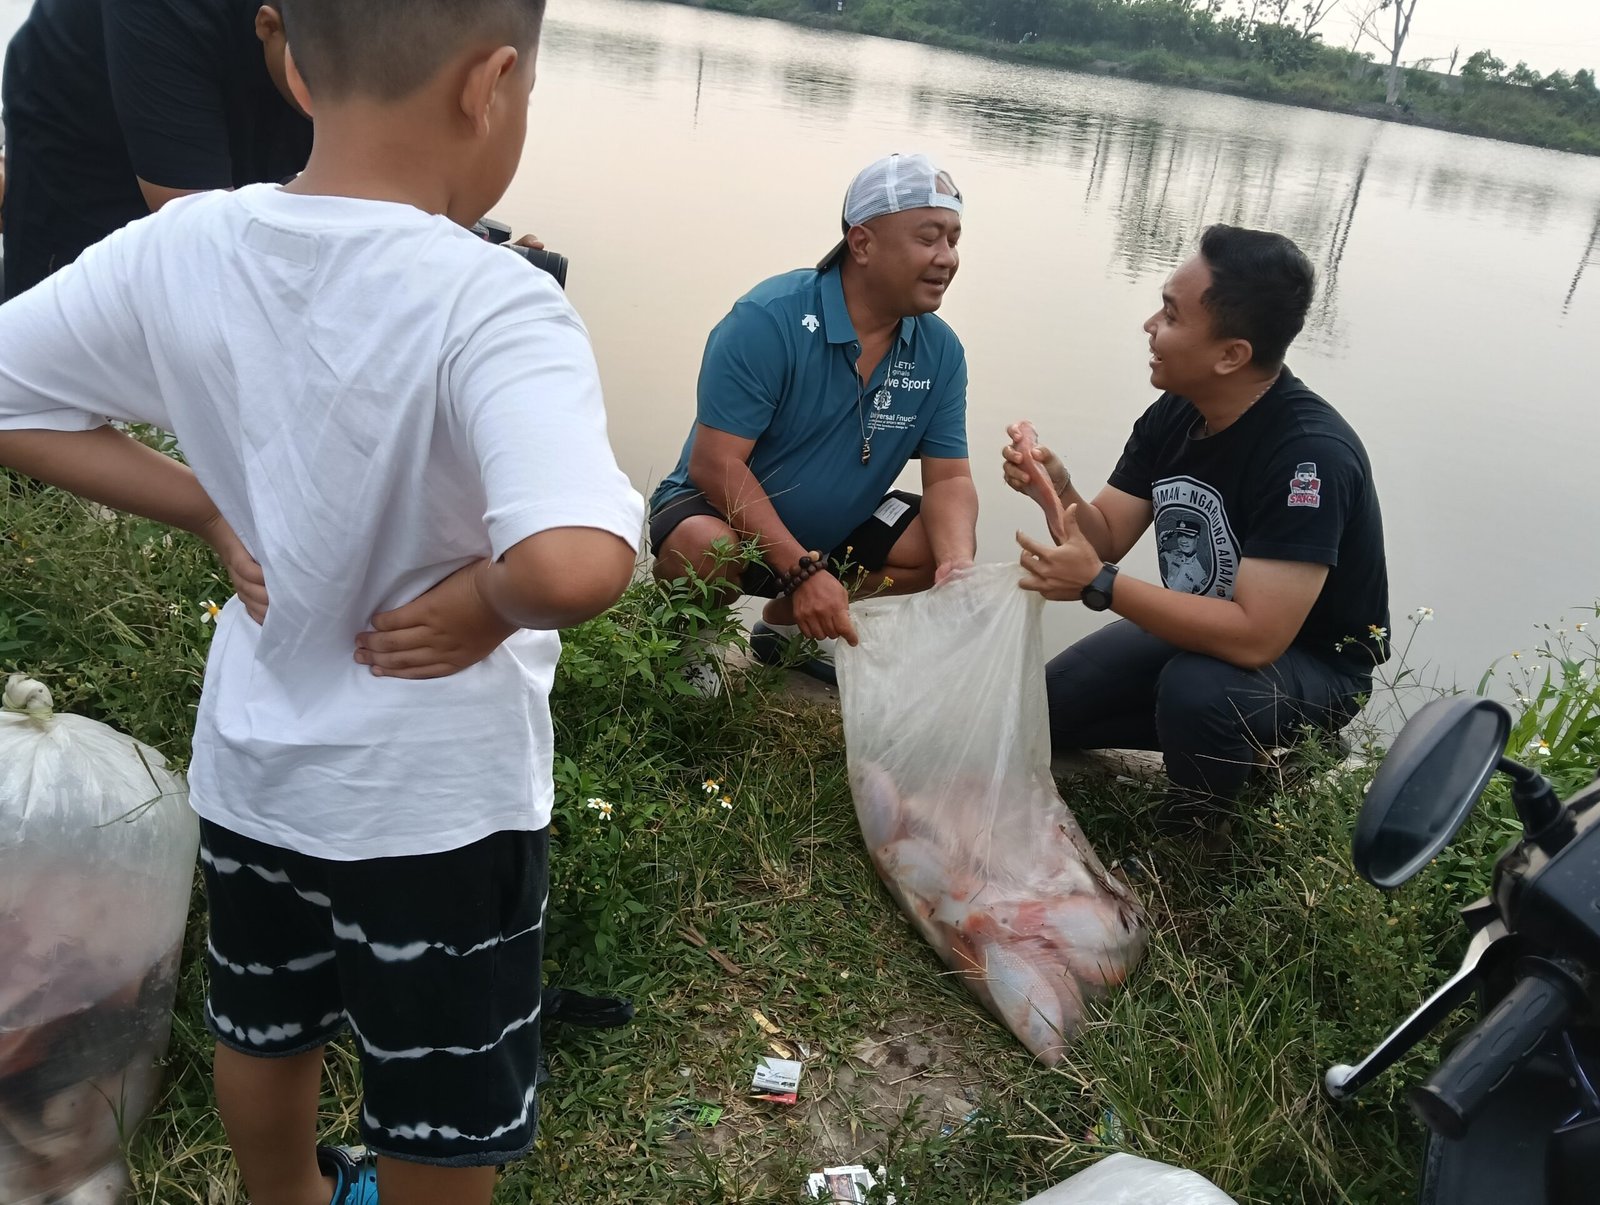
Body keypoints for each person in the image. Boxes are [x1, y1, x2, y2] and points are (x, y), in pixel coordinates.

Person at [0, 1, 645, 1202]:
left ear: (291, 62)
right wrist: (491, 599)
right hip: (438, 806)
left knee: (265, 1023)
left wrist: (200, 503)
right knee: (440, 1092)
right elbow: (571, 562)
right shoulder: (496, 301)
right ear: (491, 83)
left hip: (255, 770)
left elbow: (10, 395)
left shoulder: (185, 245)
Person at [1006, 225, 1389, 831]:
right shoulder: (1180, 409)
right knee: (1043, 711)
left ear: (1230, 353)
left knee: (1198, 691)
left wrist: (1101, 585)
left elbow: (1256, 638)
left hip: (1315, 665)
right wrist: (1054, 488)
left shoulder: (1308, 457)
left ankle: (1201, 832)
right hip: (1205, 630)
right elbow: (1102, 536)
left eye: (1170, 314)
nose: (1149, 327)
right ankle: (1257, 760)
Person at [649, 152, 978, 685]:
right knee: (704, 547)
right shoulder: (768, 319)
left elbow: (952, 479)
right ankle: (692, 645)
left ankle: (782, 630)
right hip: (722, 519)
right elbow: (716, 464)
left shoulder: (941, 351)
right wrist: (803, 570)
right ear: (863, 243)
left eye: (954, 239)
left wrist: (957, 565)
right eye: (928, 238)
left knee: (930, 541)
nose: (947, 258)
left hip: (831, 536)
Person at [1, 0, 312, 299]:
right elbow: (199, 235)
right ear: (269, 25)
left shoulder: (333, 45)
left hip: (271, 62)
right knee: (100, 301)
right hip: (89, 134)